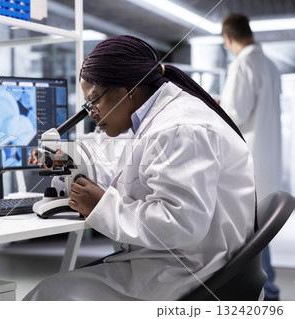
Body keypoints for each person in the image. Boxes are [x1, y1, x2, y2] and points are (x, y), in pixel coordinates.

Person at [24, 35, 256, 301]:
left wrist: (102, 206)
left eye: (93, 100)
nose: (91, 113)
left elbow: (181, 224)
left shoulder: (180, 127)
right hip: (175, 261)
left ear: (127, 91)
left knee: (46, 296)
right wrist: (71, 159)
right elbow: (130, 171)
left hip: (190, 274)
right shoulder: (155, 117)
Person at [221, 13, 282, 301]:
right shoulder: (269, 64)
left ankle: (268, 291)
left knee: (252, 231)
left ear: (228, 38)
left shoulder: (243, 64)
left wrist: (215, 107)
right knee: (258, 228)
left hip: (249, 160)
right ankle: (268, 290)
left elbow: (236, 114)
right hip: (267, 157)